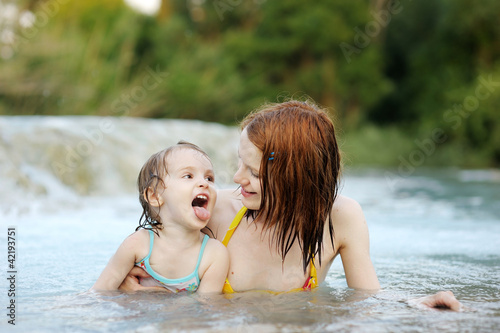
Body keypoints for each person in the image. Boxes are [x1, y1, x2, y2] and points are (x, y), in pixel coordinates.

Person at [120, 100, 462, 310]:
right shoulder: (216, 211)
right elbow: (142, 266)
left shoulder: (341, 218)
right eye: (240, 163)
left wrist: (414, 303)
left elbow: (366, 297)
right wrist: (146, 294)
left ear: (294, 178)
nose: (236, 178)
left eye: (253, 172)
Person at [92, 141, 229, 293]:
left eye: (209, 178)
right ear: (155, 196)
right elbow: (98, 293)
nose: (204, 183)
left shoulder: (214, 255)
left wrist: (159, 295)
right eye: (188, 176)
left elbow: (206, 310)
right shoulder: (137, 244)